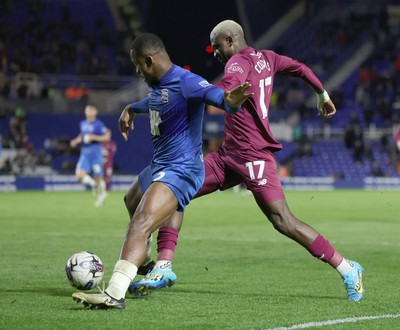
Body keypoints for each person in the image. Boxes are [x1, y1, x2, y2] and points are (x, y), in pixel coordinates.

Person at [129, 20, 365, 302]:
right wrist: (321, 94)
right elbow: (300, 68)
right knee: (177, 189)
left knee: (283, 221)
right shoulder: (269, 58)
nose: (215, 53)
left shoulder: (236, 64)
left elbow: (229, 87)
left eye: (216, 47)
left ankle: (348, 268)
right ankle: (164, 266)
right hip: (228, 155)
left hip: (254, 157)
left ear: (230, 41)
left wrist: (222, 95)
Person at [71, 32, 252, 309]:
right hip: (161, 165)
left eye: (138, 66)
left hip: (182, 169)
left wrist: (232, 100)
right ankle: (143, 264)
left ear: (149, 60)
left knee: (141, 222)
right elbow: (159, 101)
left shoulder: (187, 81)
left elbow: (219, 98)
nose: (137, 72)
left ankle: (114, 294)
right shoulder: (160, 84)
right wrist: (132, 108)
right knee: (131, 199)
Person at [70, 104, 110, 207]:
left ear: (95, 112)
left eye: (91, 109)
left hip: (96, 153)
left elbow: (107, 137)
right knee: (79, 175)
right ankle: (94, 185)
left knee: (99, 177)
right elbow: (82, 135)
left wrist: (93, 137)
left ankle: (101, 197)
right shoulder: (83, 123)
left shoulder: (99, 124)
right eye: (87, 109)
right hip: (85, 153)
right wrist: (76, 141)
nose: (88, 111)